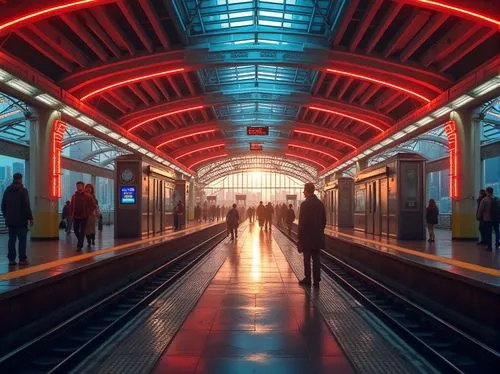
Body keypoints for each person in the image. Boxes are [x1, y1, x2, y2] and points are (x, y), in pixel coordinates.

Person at [298, 183, 326, 289]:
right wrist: (319, 231)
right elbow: (324, 220)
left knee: (307, 258)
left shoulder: (305, 204)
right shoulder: (320, 204)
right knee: (316, 258)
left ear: (307, 191)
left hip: (307, 237)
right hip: (318, 236)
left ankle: (308, 278)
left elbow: (302, 222)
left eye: (304, 191)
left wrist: (300, 237)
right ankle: (317, 280)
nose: (303, 193)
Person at [1, 173, 33, 266]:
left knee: (11, 240)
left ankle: (11, 260)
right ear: (21, 179)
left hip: (10, 221)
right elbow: (26, 206)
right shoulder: (23, 191)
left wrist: (6, 216)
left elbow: (3, 205)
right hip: (22, 221)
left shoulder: (7, 190)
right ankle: (22, 259)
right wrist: (30, 218)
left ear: (13, 179)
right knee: (22, 240)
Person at [71, 181, 95, 252]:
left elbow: (93, 206)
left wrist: (88, 212)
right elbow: (72, 206)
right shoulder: (74, 196)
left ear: (82, 187)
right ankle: (81, 240)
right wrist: (71, 214)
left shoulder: (88, 196)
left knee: (82, 231)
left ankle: (79, 245)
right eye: (77, 186)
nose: (78, 187)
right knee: (75, 230)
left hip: (84, 216)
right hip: (76, 216)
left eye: (80, 186)